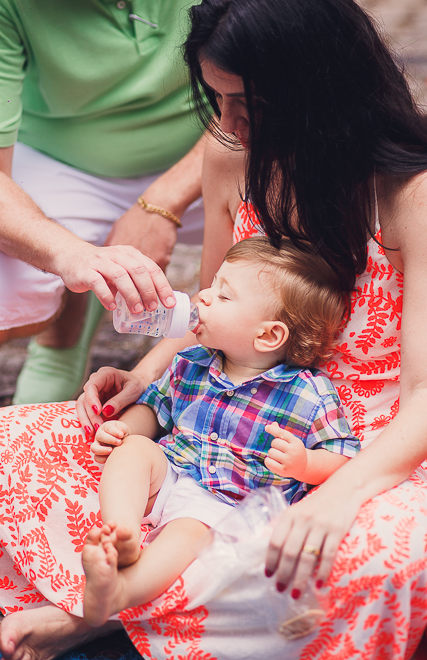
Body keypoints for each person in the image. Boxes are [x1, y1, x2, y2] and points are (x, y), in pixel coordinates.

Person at [0, 0, 427, 660]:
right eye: (216, 100)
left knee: (380, 559)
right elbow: (205, 317)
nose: (226, 126)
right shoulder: (233, 154)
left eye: (248, 107)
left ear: (319, 89)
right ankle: (137, 603)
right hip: (211, 419)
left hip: (360, 443)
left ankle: (99, 613)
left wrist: (337, 491)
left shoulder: (416, 190)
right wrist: (144, 376)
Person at [0, 0, 302, 405]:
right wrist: (74, 257)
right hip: (70, 161)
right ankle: (61, 342)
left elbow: (289, 65)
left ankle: (251, 377)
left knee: (309, 225)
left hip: (229, 140)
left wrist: (159, 203)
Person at [81, 236, 360, 626]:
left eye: (223, 297)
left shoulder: (308, 394)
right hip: (175, 469)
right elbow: (155, 409)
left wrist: (305, 463)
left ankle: (121, 592)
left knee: (186, 533)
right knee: (133, 452)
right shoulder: (191, 362)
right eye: (212, 285)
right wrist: (122, 430)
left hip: (225, 500)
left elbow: (344, 458)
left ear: (267, 335)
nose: (204, 297)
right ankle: (122, 533)